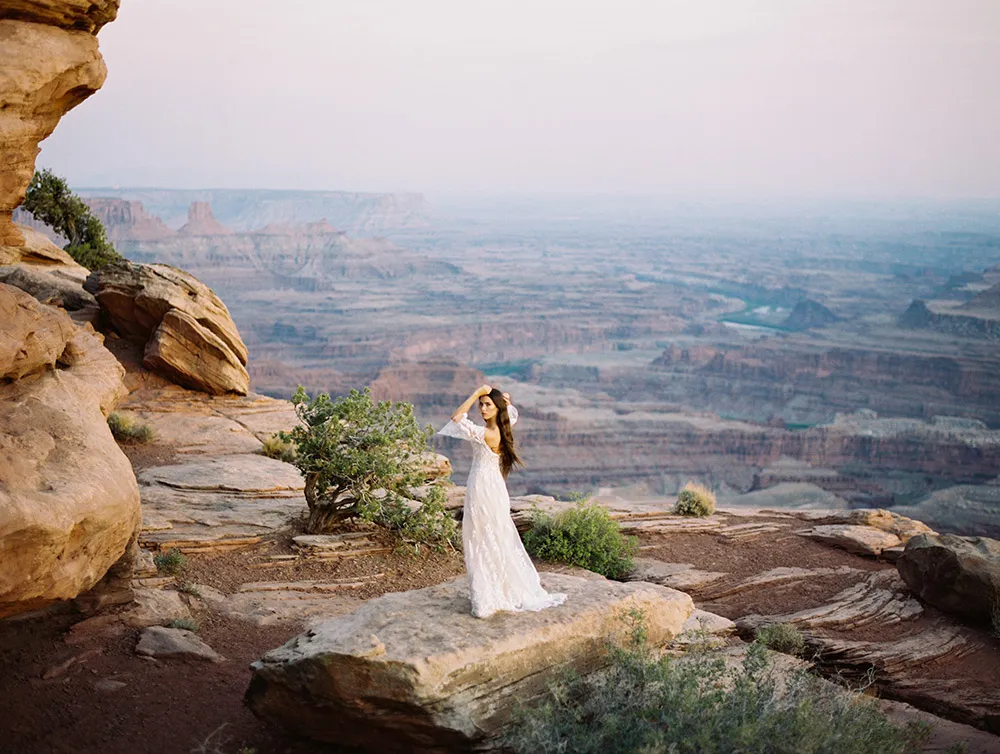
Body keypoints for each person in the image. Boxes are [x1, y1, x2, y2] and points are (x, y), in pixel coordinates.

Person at [438, 384, 567, 618]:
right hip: (494, 487)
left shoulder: (487, 433)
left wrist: (476, 392)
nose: (482, 408)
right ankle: (498, 588)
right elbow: (513, 413)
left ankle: (488, 594)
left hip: (481, 488)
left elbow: (457, 417)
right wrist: (504, 401)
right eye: (481, 404)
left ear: (496, 409)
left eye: (487, 405)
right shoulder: (504, 426)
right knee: (495, 535)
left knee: (480, 537)